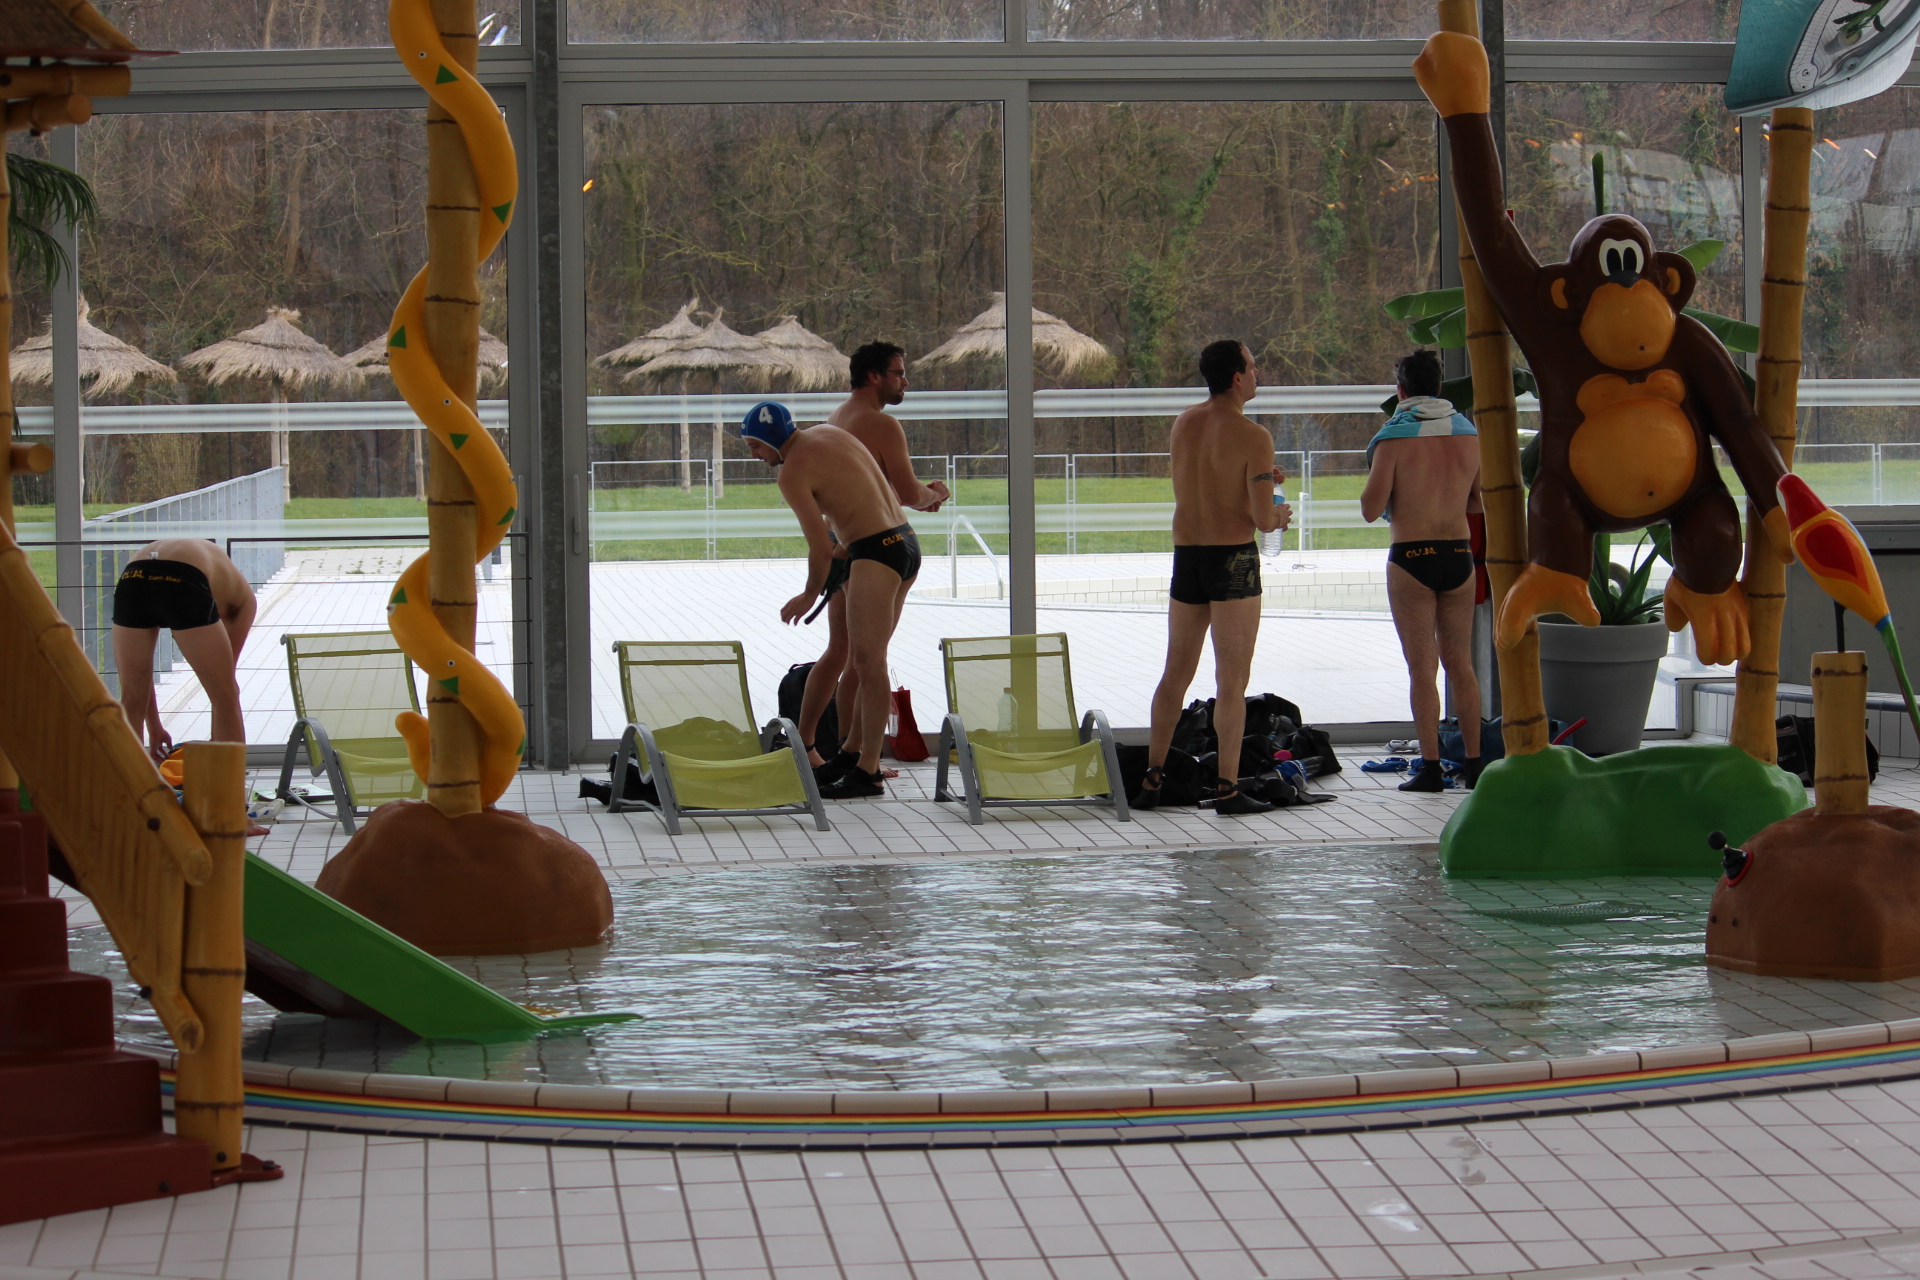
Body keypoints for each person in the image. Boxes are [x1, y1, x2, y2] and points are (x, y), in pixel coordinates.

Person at [1134, 340, 1291, 816]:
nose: (1258, 373)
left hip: (1189, 557)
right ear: (1237, 378)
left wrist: (1261, 477)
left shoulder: (1185, 423)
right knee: (1231, 680)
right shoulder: (1254, 435)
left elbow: (1207, 482)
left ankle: (1152, 779)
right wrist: (1281, 513)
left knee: (1175, 673)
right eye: (1253, 366)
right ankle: (1227, 788)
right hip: (1232, 561)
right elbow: (1262, 520)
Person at [741, 401, 920, 800]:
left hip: (874, 552)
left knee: (869, 663)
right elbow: (856, 500)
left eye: (755, 446)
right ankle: (852, 754)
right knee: (862, 658)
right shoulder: (829, 432)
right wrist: (842, 554)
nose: (754, 455)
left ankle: (868, 772)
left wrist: (809, 593)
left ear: (772, 439)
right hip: (905, 543)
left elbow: (819, 545)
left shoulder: (791, 472)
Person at [797, 341, 949, 787]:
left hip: (844, 543)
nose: (905, 381)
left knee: (844, 653)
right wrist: (935, 494)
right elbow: (907, 492)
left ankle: (827, 749)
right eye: (898, 373)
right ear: (873, 376)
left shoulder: (837, 418)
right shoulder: (880, 423)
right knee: (869, 659)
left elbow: (860, 489)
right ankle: (863, 761)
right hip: (879, 545)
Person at [1360, 348, 1485, 793]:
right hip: (1458, 555)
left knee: (1422, 667)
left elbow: (1371, 509)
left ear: (1401, 391)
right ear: (1439, 388)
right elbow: (1478, 502)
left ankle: (1430, 769)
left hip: (1412, 557)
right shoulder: (1469, 435)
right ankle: (1475, 766)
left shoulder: (1392, 439)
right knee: (1461, 665)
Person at [109, 538, 267, 833]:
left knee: (130, 698)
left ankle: (126, 808)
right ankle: (231, 814)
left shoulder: (211, 567)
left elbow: (140, 682)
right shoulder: (244, 603)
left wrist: (154, 727)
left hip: (134, 576)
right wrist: (216, 754)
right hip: (183, 577)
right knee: (226, 695)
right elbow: (223, 690)